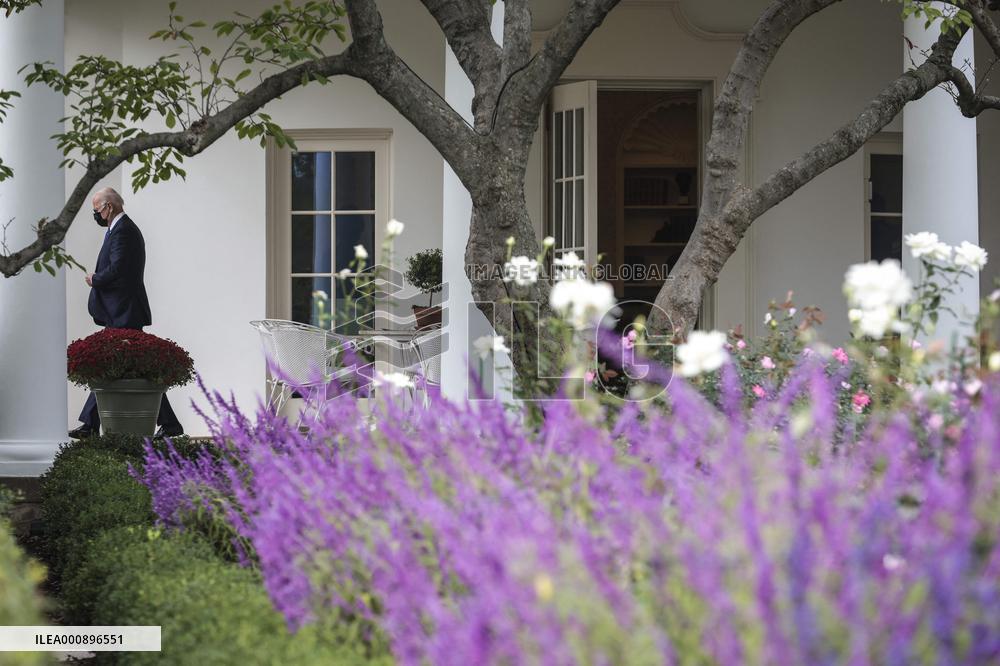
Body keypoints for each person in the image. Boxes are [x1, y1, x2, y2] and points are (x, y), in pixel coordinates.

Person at [68, 187, 184, 439]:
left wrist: (95, 279)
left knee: (119, 367)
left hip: (124, 311)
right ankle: (91, 423)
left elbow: (118, 269)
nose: (96, 215)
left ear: (109, 207)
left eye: (97, 210)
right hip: (120, 311)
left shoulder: (124, 231)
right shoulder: (119, 229)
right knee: (126, 368)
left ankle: (89, 424)